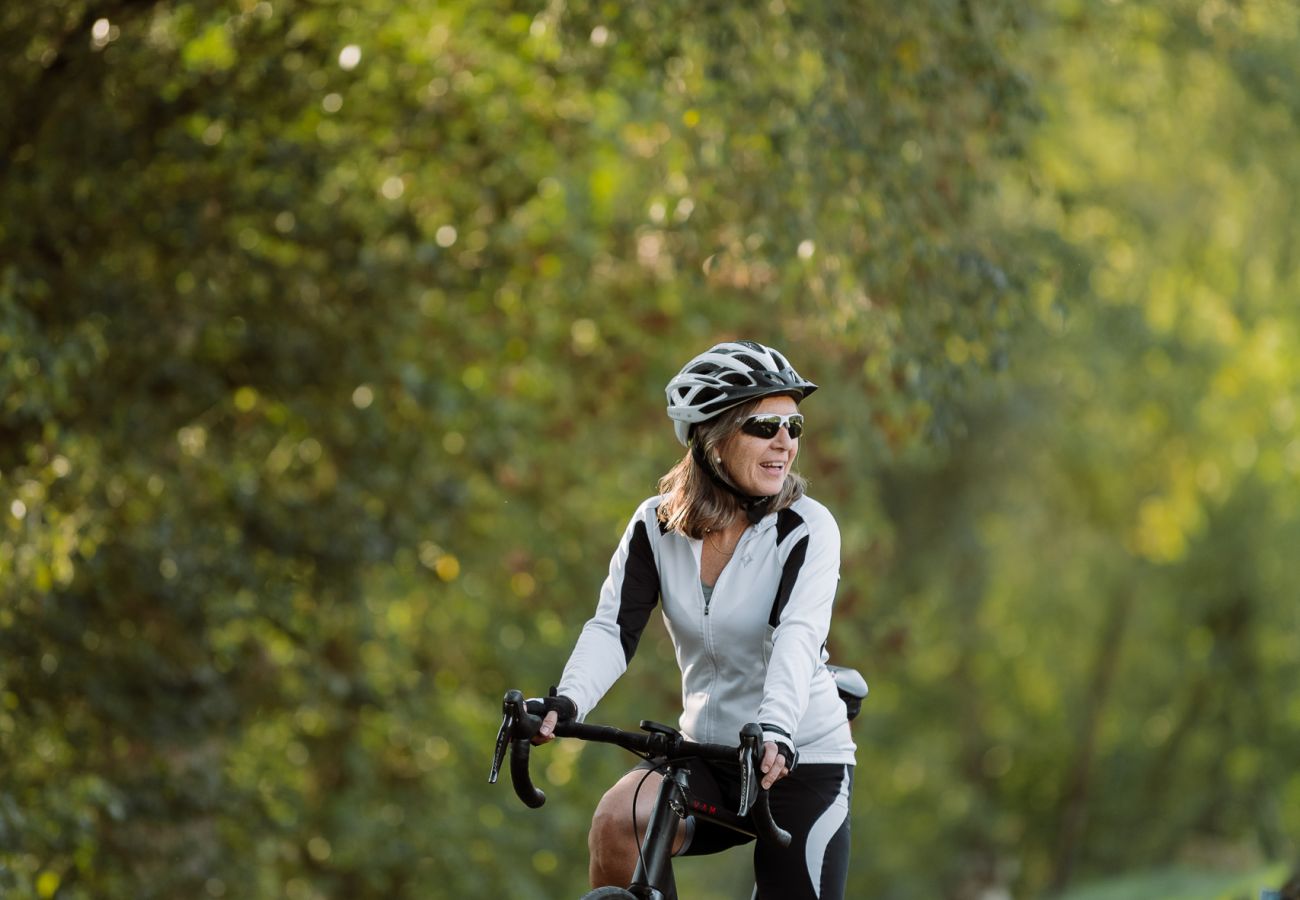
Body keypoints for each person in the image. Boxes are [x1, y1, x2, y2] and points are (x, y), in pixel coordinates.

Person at [534, 340, 855, 899]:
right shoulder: (655, 526)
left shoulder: (806, 528)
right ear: (713, 439)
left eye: (794, 426)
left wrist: (777, 729)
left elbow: (797, 636)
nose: (785, 442)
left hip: (797, 758)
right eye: (765, 426)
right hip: (708, 754)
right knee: (616, 821)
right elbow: (613, 629)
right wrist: (566, 702)